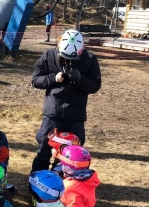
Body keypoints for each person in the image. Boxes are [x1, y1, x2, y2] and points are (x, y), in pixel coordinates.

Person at [30, 29, 101, 174]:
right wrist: (52, 78)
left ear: (80, 52)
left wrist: (80, 79)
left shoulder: (90, 58)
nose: (67, 61)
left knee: (72, 152)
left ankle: (65, 181)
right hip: (52, 113)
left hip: (76, 115)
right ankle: (37, 178)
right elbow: (35, 79)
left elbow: (95, 85)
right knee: (44, 147)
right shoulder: (49, 55)